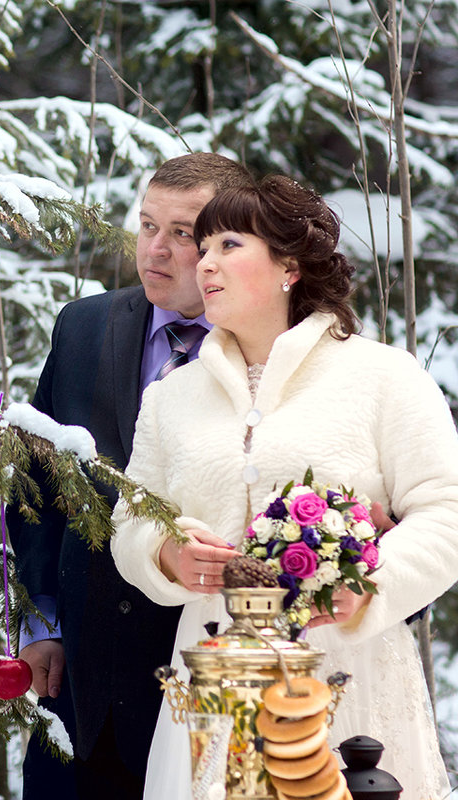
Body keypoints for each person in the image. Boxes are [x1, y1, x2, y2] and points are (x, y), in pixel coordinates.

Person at [110, 175, 458, 799]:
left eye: (228, 245)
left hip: (349, 673)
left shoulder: (382, 376)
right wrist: (166, 553)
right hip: (210, 678)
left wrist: (369, 588)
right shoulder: (169, 398)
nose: (204, 262)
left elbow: (445, 512)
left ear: (288, 268)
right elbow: (130, 523)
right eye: (205, 245)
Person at [7, 152, 255, 799]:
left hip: (210, 692)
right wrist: (44, 626)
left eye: (182, 233)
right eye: (148, 226)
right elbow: (35, 488)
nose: (157, 250)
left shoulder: (273, 351)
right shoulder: (83, 327)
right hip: (79, 696)